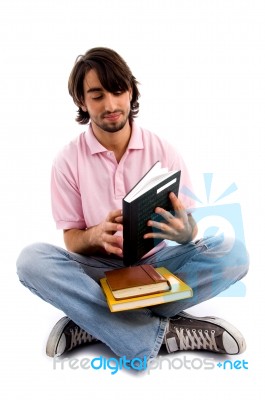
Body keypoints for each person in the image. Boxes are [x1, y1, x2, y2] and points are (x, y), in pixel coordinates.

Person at [16, 47, 249, 365]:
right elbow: (71, 239)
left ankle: (95, 322)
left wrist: (184, 232)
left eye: (117, 90)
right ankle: (158, 334)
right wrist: (94, 235)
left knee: (234, 253)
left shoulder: (163, 150)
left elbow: (189, 226)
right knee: (30, 261)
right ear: (82, 102)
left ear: (131, 91)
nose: (110, 105)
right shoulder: (67, 161)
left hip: (157, 267)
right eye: (97, 95)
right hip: (99, 271)